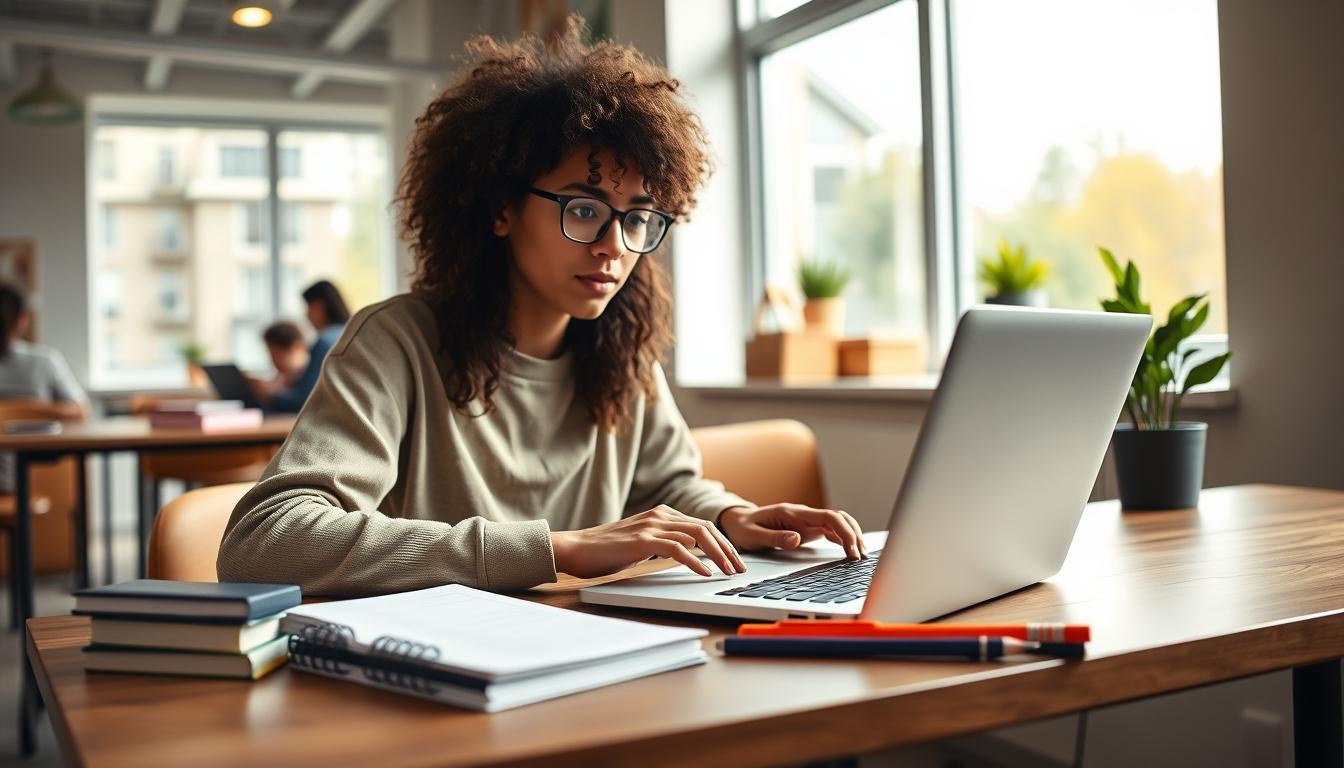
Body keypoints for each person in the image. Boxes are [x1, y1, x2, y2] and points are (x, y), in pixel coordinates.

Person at [217, 19, 864, 596]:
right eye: (584, 210)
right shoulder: (398, 343)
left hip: (596, 658)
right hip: (438, 684)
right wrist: (554, 549)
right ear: (500, 208)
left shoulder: (624, 352)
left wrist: (729, 516)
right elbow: (267, 541)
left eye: (637, 218)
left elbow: (666, 488)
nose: (616, 246)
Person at [0, 283, 88, 493]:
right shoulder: (44, 361)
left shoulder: (44, 362)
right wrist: (33, 410)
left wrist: (15, 409)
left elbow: (79, 411)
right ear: (23, 319)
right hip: (40, 481)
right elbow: (81, 410)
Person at [248, 280, 349, 414]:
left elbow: (305, 401)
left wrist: (267, 394)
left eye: (308, 307)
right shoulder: (349, 334)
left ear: (320, 306)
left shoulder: (325, 342)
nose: (306, 315)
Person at [261, 321, 309, 389]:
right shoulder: (281, 381)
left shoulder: (313, 379)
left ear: (297, 347)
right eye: (271, 355)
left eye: (278, 355)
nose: (274, 361)